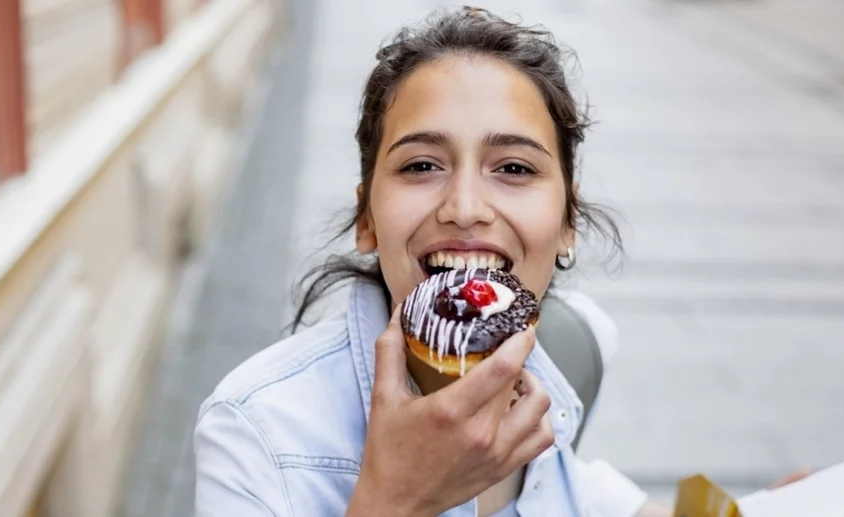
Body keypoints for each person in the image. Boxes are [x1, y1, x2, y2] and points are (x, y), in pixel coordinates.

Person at [193, 7, 774, 516]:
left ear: (568, 221)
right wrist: (396, 501)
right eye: (421, 165)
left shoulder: (571, 354)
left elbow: (586, 492)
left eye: (514, 168)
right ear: (367, 218)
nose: (466, 208)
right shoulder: (256, 434)